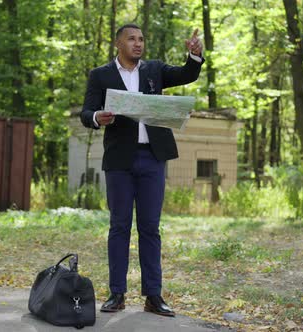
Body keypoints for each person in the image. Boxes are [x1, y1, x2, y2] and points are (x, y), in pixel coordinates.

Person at [80, 23, 204, 317]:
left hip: (153, 158)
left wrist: (195, 56)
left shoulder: (155, 70)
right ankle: (117, 294)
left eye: (141, 39)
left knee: (150, 228)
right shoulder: (101, 75)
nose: (138, 43)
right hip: (119, 161)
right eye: (132, 39)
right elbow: (86, 112)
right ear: (118, 44)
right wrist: (98, 117)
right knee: (119, 227)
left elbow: (187, 74)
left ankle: (153, 296)